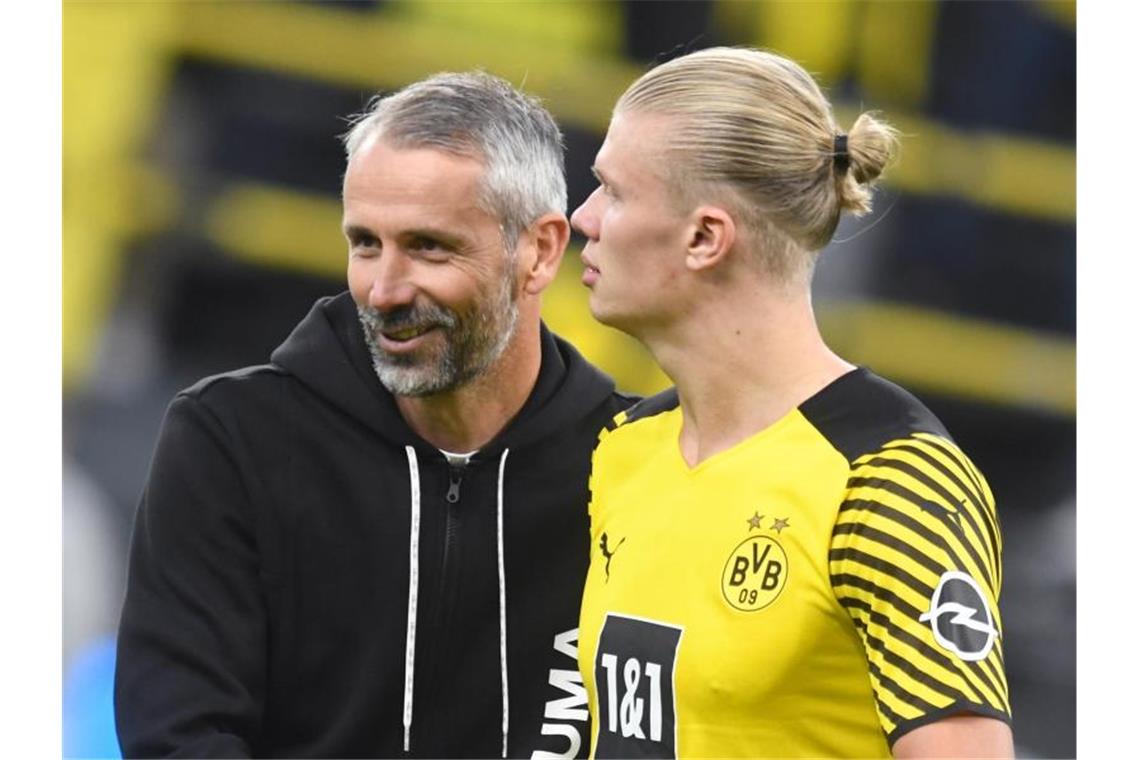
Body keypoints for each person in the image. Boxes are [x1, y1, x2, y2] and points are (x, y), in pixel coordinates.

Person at [114, 71, 634, 759]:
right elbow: (178, 736)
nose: (384, 290)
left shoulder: (634, 460)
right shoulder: (231, 438)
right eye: (365, 243)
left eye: (428, 246)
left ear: (538, 251)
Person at [570, 47, 1013, 759]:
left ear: (705, 237)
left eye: (613, 192)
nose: (583, 217)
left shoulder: (889, 478)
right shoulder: (623, 449)